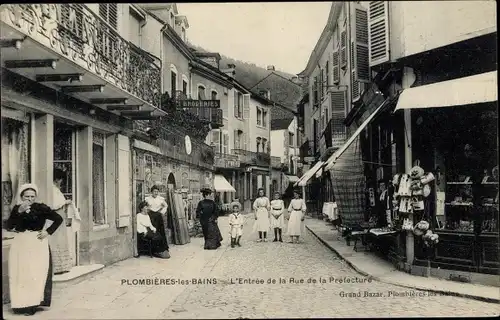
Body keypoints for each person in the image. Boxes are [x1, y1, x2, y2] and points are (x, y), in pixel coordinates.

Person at [4, 183, 63, 316]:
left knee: (33, 273)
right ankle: (20, 304)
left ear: (35, 197)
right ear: (21, 196)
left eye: (32, 196)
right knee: (20, 272)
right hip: (20, 242)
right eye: (26, 196)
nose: (29, 199)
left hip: (36, 242)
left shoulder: (41, 208)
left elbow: (58, 219)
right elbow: (8, 226)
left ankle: (32, 305)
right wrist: (19, 212)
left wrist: (48, 232)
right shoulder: (17, 209)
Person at [48, 169, 78, 274]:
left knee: (60, 240)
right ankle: (57, 267)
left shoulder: (56, 189)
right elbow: (53, 205)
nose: (61, 182)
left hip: (59, 216)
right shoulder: (52, 190)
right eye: (60, 179)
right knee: (57, 240)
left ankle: (62, 266)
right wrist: (65, 202)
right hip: (55, 216)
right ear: (57, 179)